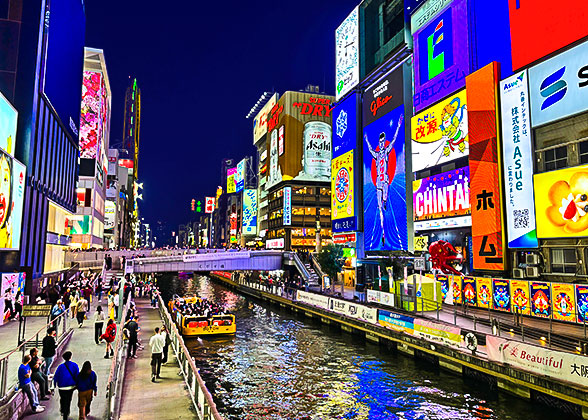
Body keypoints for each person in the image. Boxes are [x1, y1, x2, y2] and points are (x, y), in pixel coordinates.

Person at [365, 113, 403, 246]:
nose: (381, 144)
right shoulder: (376, 154)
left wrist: (398, 126)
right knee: (380, 206)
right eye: (380, 142)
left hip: (385, 180)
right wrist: (366, 140)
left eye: (382, 142)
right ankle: (382, 233)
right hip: (378, 183)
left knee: (385, 199)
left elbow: (394, 140)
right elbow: (370, 149)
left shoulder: (386, 151)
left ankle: (385, 202)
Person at [53, 351, 79, 420]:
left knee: (63, 398)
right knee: (68, 399)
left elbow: (56, 376)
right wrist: (78, 384)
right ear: (70, 357)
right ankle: (66, 412)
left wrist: (54, 386)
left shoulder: (60, 367)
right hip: (71, 386)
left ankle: (62, 409)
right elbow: (77, 376)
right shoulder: (74, 365)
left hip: (61, 387)